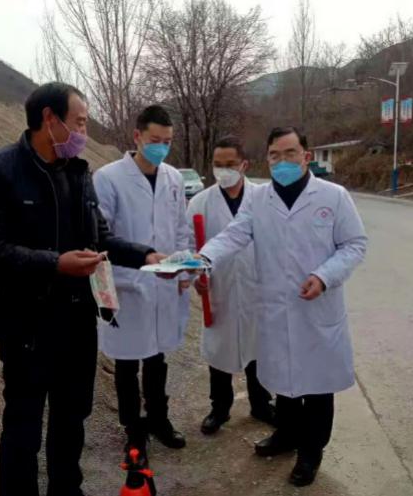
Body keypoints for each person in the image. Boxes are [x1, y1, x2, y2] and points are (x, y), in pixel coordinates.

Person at [0, 82, 166, 496]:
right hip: (27, 324)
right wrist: (56, 264)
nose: (84, 133)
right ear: (49, 119)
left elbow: (100, 239)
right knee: (23, 425)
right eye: (80, 123)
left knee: (72, 420)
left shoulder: (78, 173)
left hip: (77, 322)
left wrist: (147, 255)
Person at [199, 127, 367, 487]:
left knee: (317, 385)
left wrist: (324, 276)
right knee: (284, 380)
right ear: (267, 159)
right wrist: (203, 258)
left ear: (307, 156)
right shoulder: (258, 200)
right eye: (275, 155)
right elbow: (233, 235)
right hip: (276, 308)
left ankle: (311, 451)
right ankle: (286, 435)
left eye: (290, 153)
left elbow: (355, 245)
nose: (283, 161)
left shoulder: (334, 197)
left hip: (317, 307)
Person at [92, 105, 190, 465]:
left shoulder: (173, 178)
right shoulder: (108, 178)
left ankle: (159, 420)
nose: (161, 147)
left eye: (167, 141)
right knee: (126, 362)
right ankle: (133, 431)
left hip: (163, 284)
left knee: (157, 357)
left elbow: (181, 228)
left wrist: (184, 269)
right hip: (126, 286)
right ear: (137, 136)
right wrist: (106, 291)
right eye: (155, 140)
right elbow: (100, 235)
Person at [186, 136, 274, 435]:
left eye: (230, 164)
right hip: (218, 286)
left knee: (258, 349)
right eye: (218, 165)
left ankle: (261, 404)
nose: (223, 171)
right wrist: (194, 277)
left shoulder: (263, 198)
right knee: (219, 350)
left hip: (257, 286)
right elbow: (189, 246)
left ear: (244, 165)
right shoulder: (200, 203)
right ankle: (219, 408)